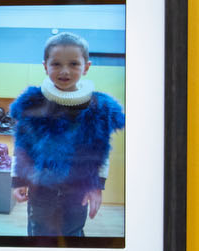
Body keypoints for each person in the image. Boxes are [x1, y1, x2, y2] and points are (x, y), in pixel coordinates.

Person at [9, 32, 126, 239]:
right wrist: (18, 180)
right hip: (41, 189)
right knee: (39, 235)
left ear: (86, 67)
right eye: (56, 64)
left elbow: (101, 152)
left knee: (73, 234)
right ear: (45, 66)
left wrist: (97, 187)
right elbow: (22, 147)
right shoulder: (32, 103)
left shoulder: (98, 107)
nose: (65, 71)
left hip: (77, 192)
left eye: (73, 64)